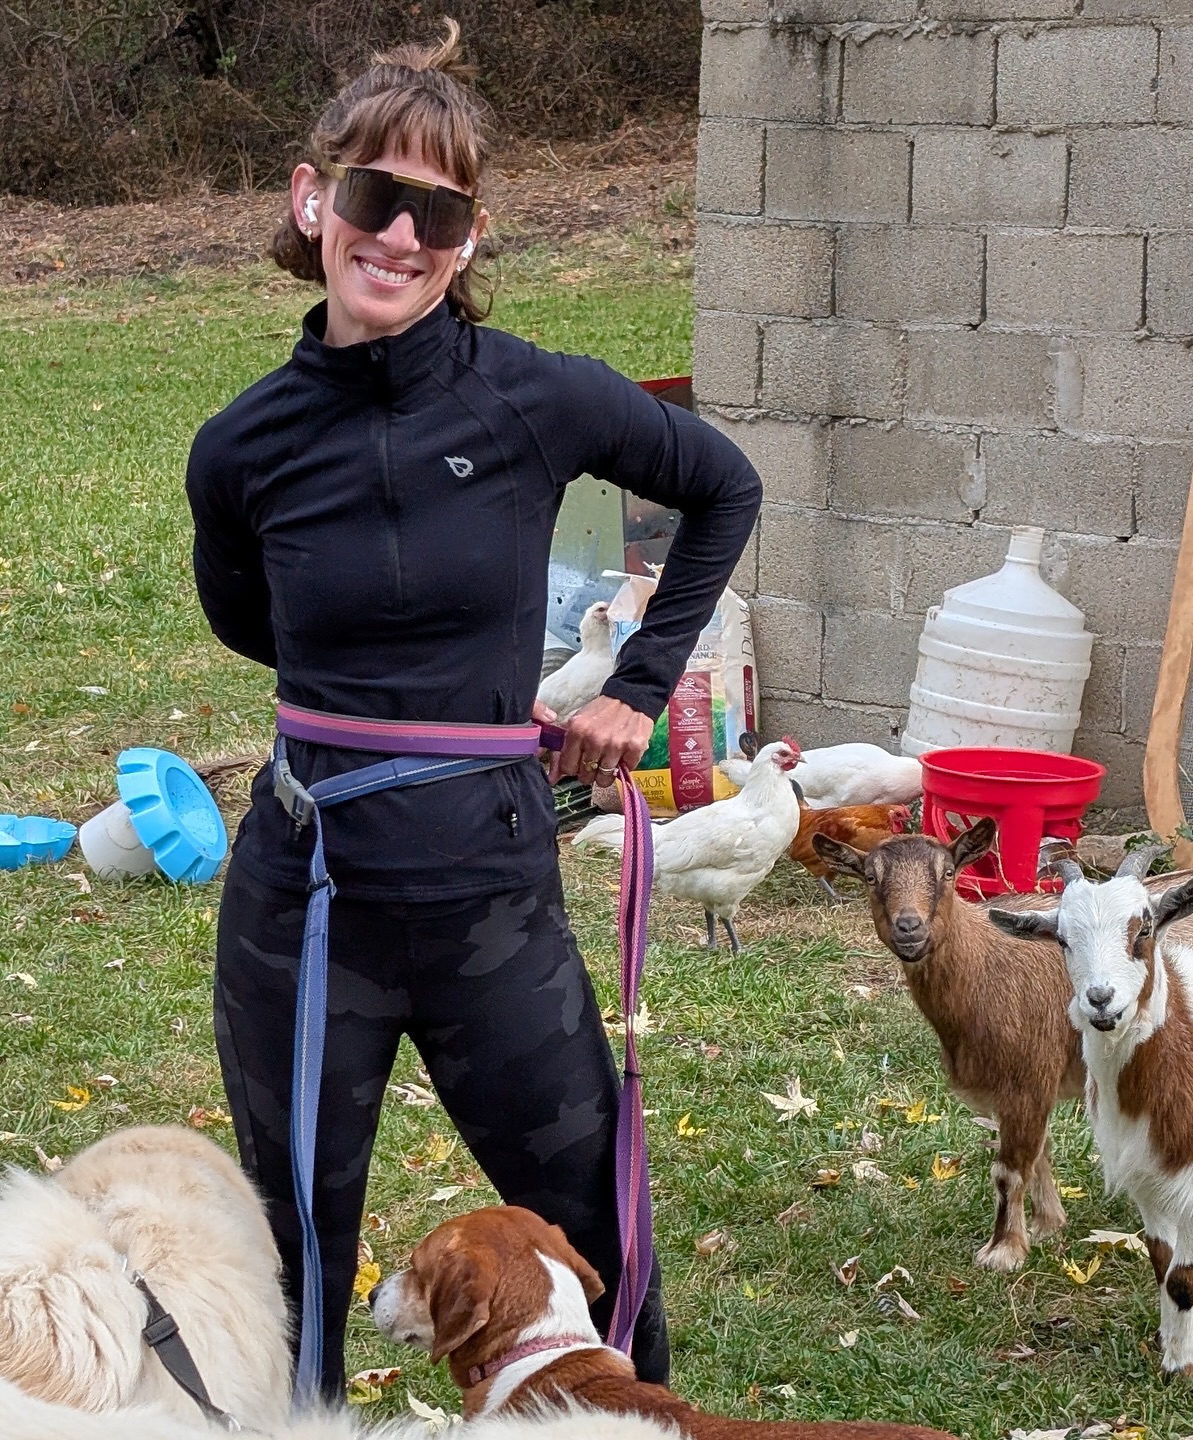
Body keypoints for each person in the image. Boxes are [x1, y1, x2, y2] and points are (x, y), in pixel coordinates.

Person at [184, 20, 761, 1400]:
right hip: (305, 897)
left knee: (601, 1232)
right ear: (312, 198)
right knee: (296, 1244)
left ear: (470, 235)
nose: (400, 235)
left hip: (483, 894)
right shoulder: (242, 446)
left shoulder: (536, 400)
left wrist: (635, 688)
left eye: (436, 210)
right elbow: (245, 624)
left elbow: (721, 485)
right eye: (374, 196)